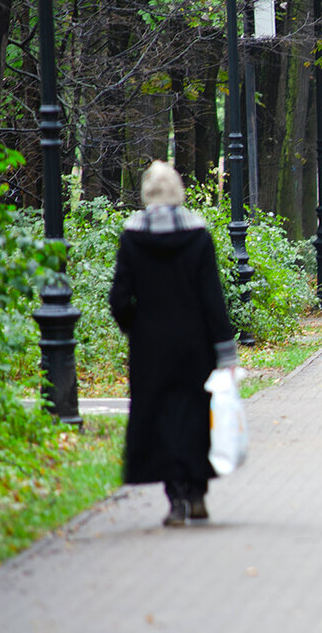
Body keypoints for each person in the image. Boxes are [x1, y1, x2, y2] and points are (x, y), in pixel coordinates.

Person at [108, 161, 236, 527]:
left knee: (159, 414)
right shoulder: (198, 234)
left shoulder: (132, 236)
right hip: (196, 343)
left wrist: (135, 327)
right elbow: (213, 297)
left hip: (150, 346)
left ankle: (175, 499)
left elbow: (119, 298)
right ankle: (197, 494)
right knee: (195, 412)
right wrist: (225, 350)